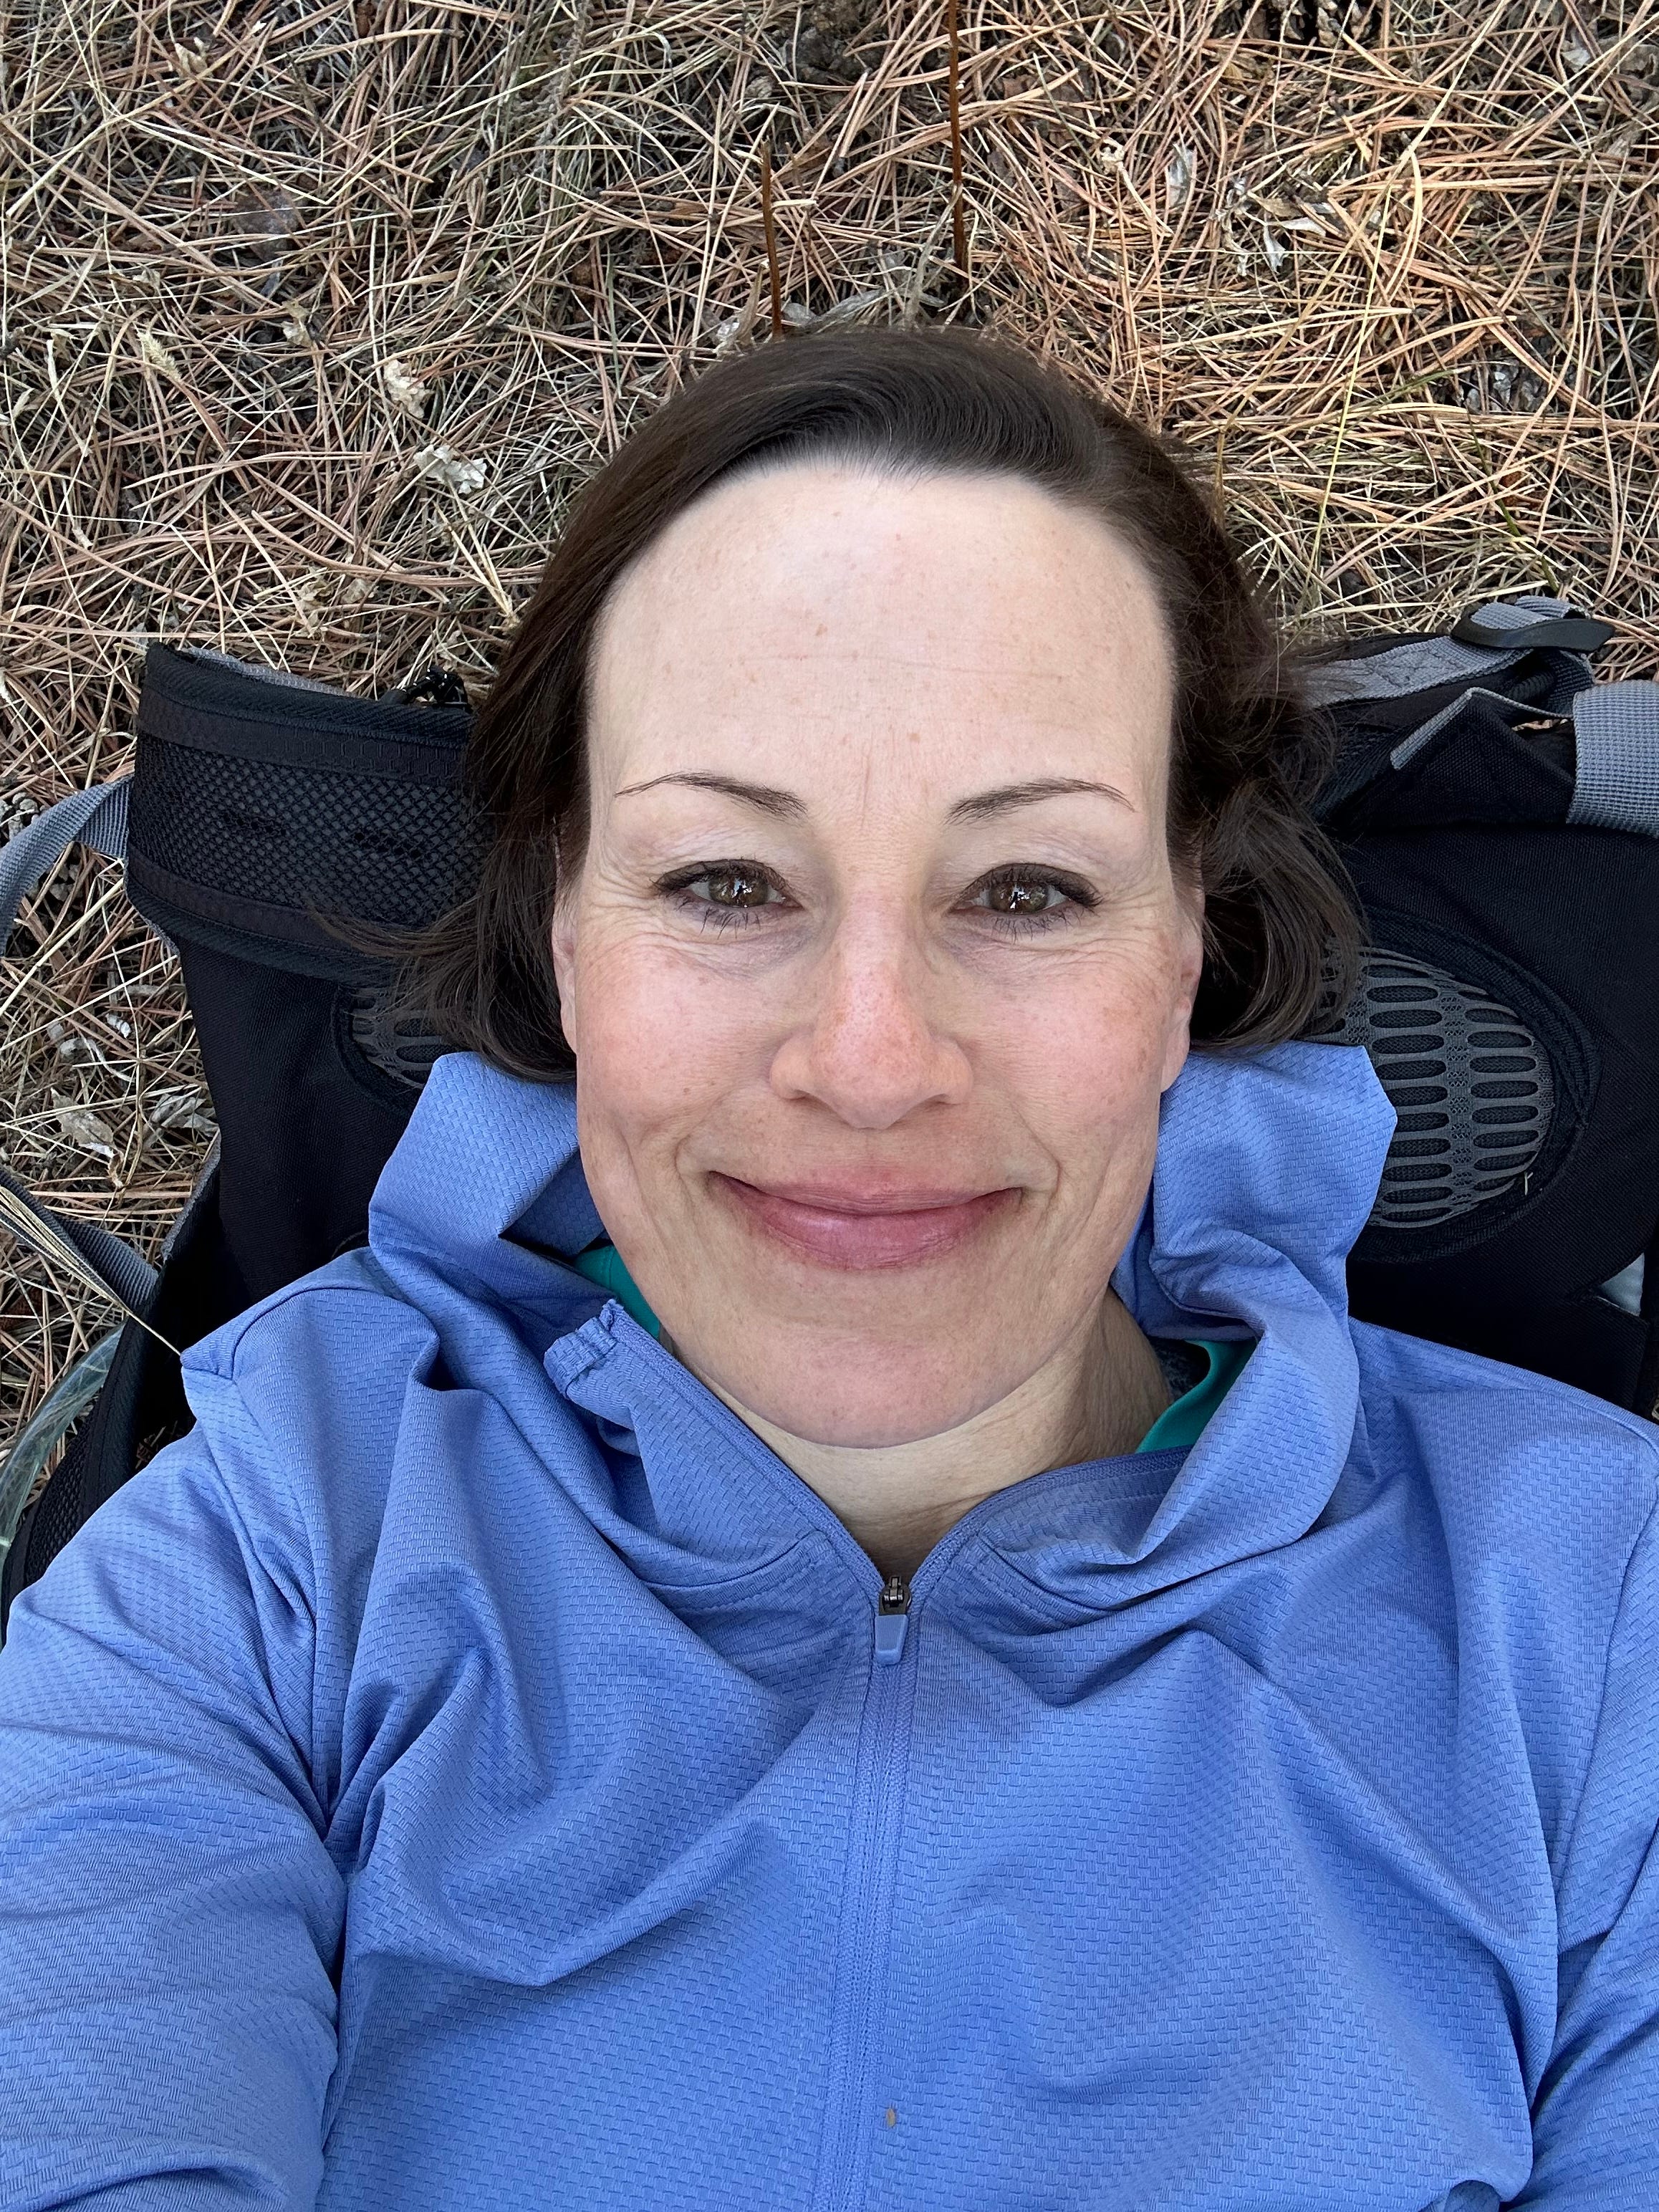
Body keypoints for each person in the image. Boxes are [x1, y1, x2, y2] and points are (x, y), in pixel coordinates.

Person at [1, 328, 1655, 2212]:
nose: (870, 1065)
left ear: (1187, 946)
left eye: (1026, 889)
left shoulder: (1595, 1624)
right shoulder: (271, 1560)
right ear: (564, 934)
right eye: (725, 881)